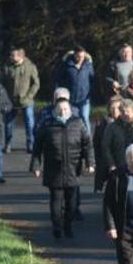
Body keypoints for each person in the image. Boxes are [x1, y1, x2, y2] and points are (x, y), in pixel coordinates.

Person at [30, 96, 93, 238]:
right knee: (56, 201)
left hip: (73, 169)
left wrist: (90, 163)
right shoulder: (47, 125)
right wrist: (36, 165)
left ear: (70, 110)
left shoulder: (78, 124)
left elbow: (87, 145)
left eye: (65, 109)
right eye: (60, 109)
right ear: (55, 110)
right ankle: (57, 226)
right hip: (54, 169)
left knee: (72, 203)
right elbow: (37, 147)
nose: (63, 111)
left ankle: (68, 224)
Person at [2, 47, 39, 153]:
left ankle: (31, 144)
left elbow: (36, 83)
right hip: (10, 101)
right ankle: (7, 144)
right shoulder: (7, 67)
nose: (11, 57)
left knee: (30, 124)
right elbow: (2, 82)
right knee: (8, 124)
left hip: (26, 101)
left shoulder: (30, 67)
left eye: (13, 55)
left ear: (20, 56)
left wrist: (29, 96)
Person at [54, 45, 95, 130]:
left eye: (82, 56)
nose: (80, 58)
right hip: (70, 98)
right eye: (78, 56)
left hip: (84, 99)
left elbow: (92, 79)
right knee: (70, 119)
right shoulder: (67, 65)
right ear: (74, 55)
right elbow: (59, 79)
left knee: (84, 118)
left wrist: (91, 92)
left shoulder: (88, 65)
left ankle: (88, 139)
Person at [101, 98, 133, 176]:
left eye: (128, 111)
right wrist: (111, 164)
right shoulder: (112, 127)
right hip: (118, 167)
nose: (125, 114)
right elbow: (105, 147)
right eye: (123, 111)